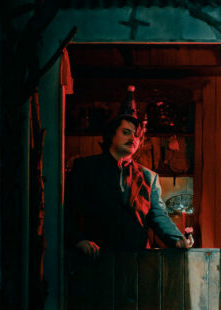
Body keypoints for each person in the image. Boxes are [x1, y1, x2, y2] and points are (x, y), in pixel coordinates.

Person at [64, 86, 194, 258]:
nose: (132, 139)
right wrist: (78, 240)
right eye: (126, 133)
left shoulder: (149, 177)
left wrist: (176, 239)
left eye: (136, 135)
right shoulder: (86, 168)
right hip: (95, 259)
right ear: (111, 134)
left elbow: (157, 214)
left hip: (137, 262)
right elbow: (67, 210)